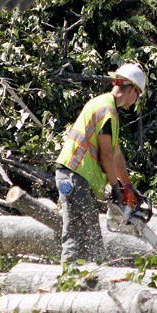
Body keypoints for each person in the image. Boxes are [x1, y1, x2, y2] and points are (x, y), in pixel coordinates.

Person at [55, 63, 146, 262]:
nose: (134, 101)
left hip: (75, 176)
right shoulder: (107, 110)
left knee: (82, 233)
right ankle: (78, 280)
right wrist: (115, 187)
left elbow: (116, 153)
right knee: (83, 235)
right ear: (132, 89)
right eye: (137, 96)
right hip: (74, 175)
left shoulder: (106, 106)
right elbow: (106, 155)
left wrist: (127, 185)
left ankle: (80, 278)